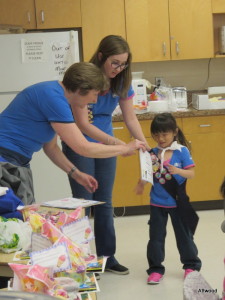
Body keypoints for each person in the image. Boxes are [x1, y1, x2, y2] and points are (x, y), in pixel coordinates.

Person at [62, 35, 150, 275]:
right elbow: (82, 124)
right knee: (83, 202)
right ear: (101, 56)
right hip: (80, 142)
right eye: (115, 63)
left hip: (107, 143)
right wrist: (118, 145)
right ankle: (80, 258)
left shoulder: (121, 82)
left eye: (123, 64)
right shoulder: (86, 79)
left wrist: (143, 143)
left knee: (104, 201)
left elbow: (130, 117)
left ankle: (107, 257)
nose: (119, 68)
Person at [0, 62, 146, 206]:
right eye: (94, 94)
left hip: (16, 161)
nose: (94, 100)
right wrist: (125, 148)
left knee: (21, 217)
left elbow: (51, 148)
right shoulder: (54, 98)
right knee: (15, 218)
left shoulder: (56, 95)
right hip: (5, 160)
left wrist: (76, 174)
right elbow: (83, 147)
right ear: (81, 89)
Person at [135, 113, 201, 285]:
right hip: (157, 203)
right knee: (155, 238)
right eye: (156, 134)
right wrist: (141, 184)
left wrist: (178, 171)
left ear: (175, 132)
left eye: (164, 134)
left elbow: (192, 173)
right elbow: (147, 174)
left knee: (184, 237)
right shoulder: (153, 154)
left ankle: (191, 266)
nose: (160, 138)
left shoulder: (182, 151)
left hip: (178, 203)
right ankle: (156, 269)